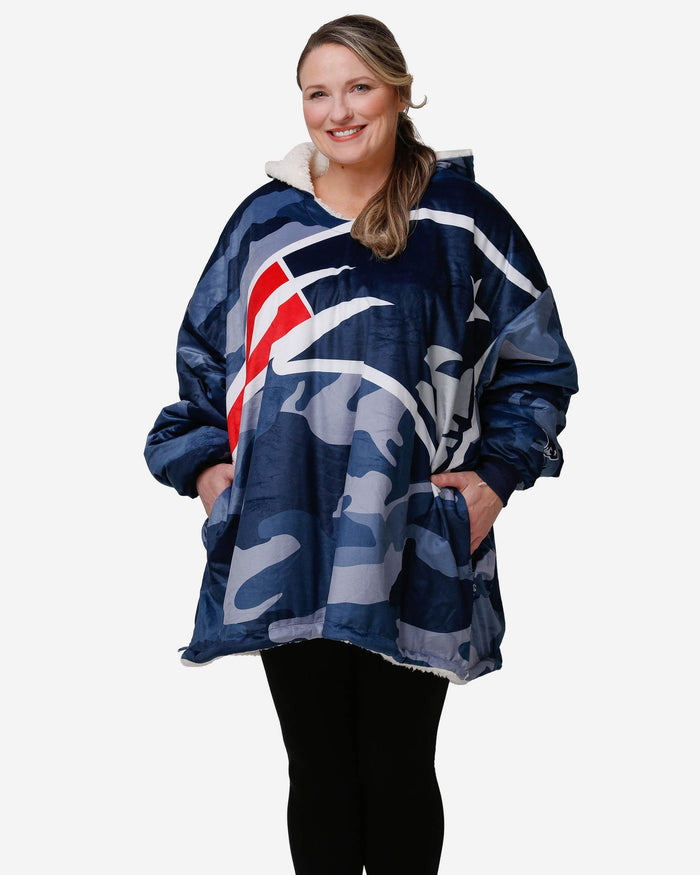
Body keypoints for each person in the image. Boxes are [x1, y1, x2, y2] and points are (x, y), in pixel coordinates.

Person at [144, 13, 577, 875]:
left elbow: (535, 363)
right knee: (317, 769)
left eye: (358, 88)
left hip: (414, 533)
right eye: (318, 93)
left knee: (397, 766)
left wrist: (495, 479)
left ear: (399, 94)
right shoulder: (264, 223)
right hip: (286, 532)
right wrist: (208, 470)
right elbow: (204, 357)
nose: (337, 111)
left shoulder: (461, 220)